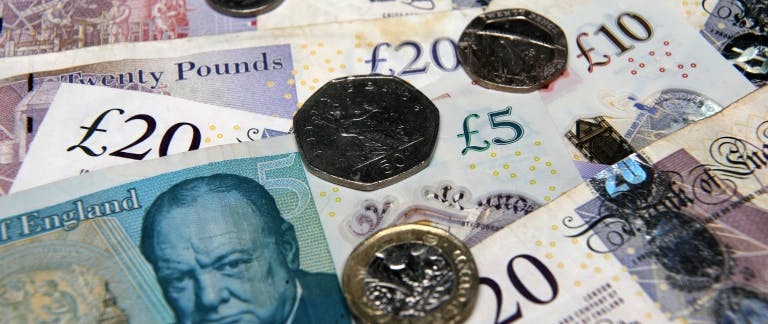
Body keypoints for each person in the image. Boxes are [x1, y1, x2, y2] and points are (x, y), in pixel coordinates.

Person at [139, 174, 348, 323]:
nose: (209, 298)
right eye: (178, 278)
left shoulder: (351, 305)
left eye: (232, 264)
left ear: (287, 248)